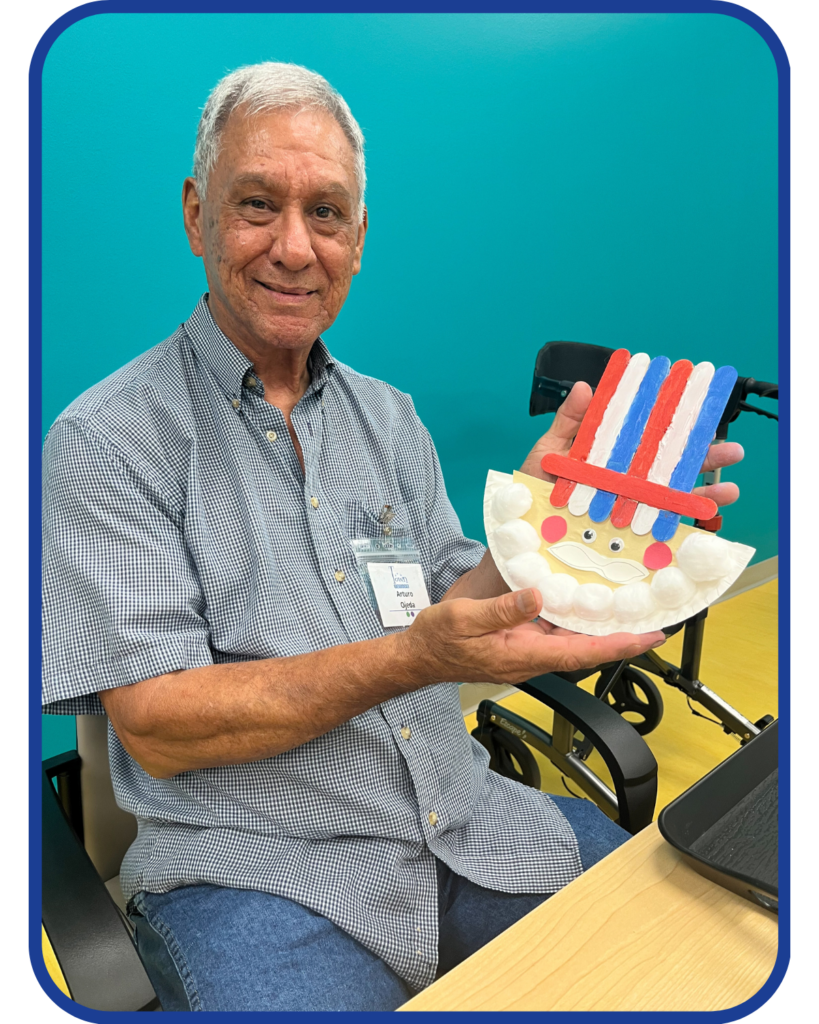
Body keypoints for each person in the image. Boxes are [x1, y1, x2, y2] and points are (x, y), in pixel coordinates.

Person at [41, 62, 743, 1012]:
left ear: (358, 239)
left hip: (469, 821)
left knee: (688, 967)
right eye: (257, 204)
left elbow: (454, 616)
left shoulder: (391, 419)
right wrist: (412, 659)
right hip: (259, 879)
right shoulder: (107, 438)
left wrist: (536, 537)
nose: (295, 247)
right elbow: (159, 729)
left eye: (326, 213)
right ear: (196, 213)